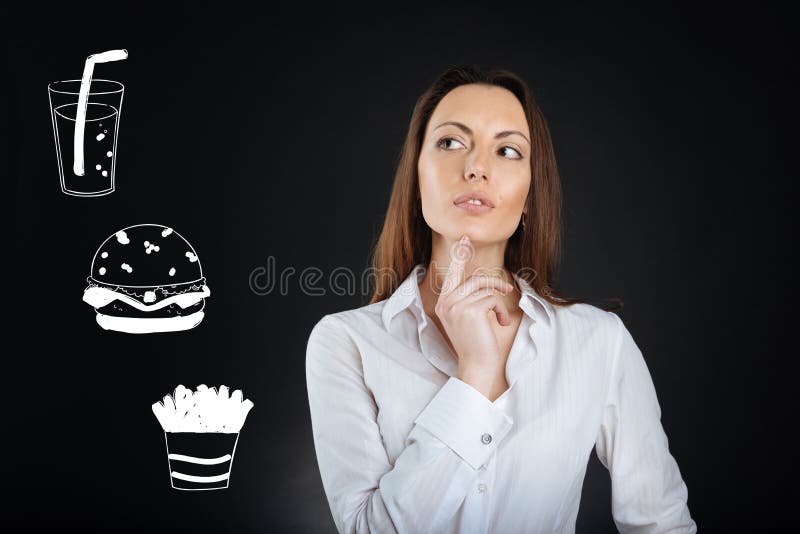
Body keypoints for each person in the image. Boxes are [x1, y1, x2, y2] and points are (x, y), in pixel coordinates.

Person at [305, 64, 696, 533]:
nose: (476, 167)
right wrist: (476, 378)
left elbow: (662, 524)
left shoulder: (599, 342)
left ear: (530, 195)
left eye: (507, 150)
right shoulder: (346, 342)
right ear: (417, 176)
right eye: (451, 142)